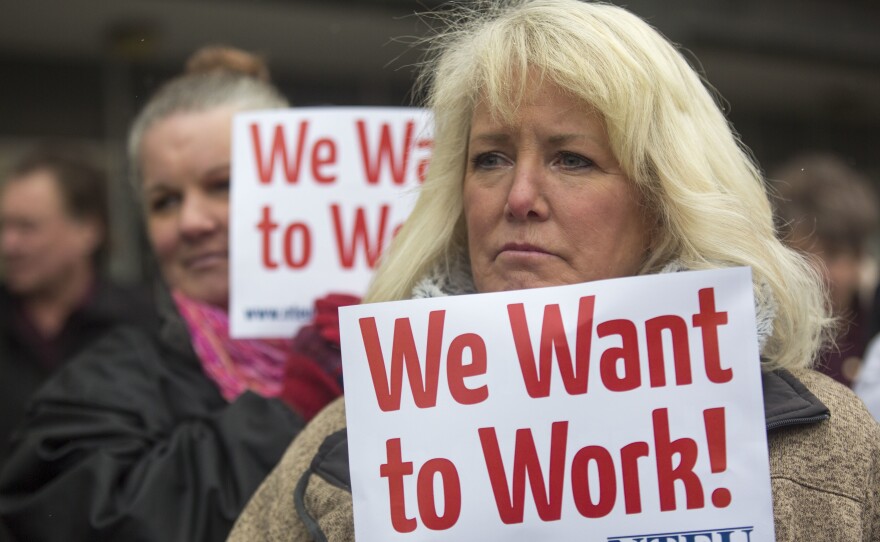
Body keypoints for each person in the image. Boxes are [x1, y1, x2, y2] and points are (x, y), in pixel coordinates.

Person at [226, 2, 880, 541]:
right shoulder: (344, 445)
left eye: (572, 159)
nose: (518, 197)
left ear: (664, 202)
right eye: (490, 159)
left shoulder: (828, 447)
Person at [0, 47, 348, 541]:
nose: (191, 222)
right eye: (164, 201)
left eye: (223, 186)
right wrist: (293, 407)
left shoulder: (382, 343)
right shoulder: (101, 383)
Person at [0, 144, 158, 460]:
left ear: (88, 229)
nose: (8, 244)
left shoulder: (145, 325)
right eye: (2, 226)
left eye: (26, 227)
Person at [770, 153, 880, 387]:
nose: (817, 273)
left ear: (860, 257)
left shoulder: (873, 330)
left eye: (833, 254)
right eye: (801, 256)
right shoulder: (764, 343)